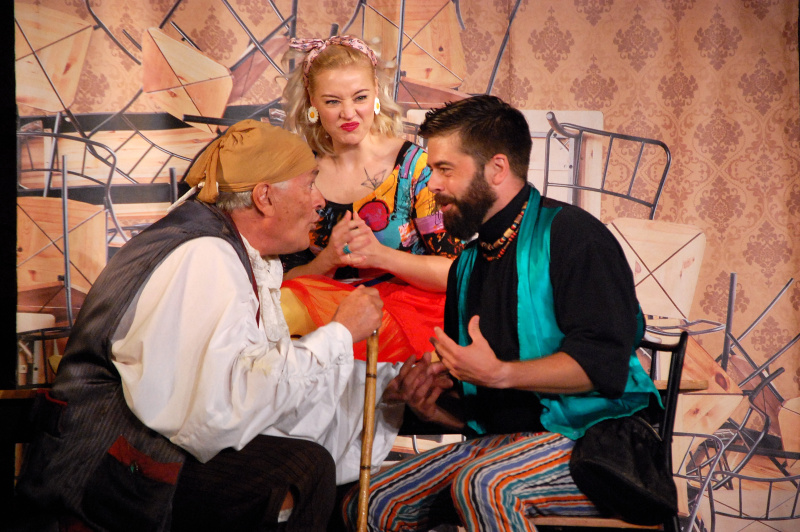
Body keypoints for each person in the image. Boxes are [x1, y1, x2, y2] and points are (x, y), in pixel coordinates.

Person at [13, 120, 386, 532]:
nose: (320, 201)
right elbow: (221, 411)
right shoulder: (203, 256)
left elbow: (257, 399)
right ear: (264, 197)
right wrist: (339, 334)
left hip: (140, 456)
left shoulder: (227, 249)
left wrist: (387, 393)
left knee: (303, 463)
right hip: (101, 470)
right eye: (310, 184)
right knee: (300, 468)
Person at [341, 95, 662, 531]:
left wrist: (500, 374)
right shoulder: (469, 264)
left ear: (496, 168)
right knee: (374, 501)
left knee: (483, 484)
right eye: (432, 170)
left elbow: (603, 366)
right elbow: (488, 411)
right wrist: (432, 405)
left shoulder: (574, 237)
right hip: (504, 445)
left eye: (445, 169)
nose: (432, 184)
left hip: (601, 446)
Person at [279, 35, 462, 364]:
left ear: (377, 93)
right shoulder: (301, 176)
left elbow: (455, 273)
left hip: (409, 317)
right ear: (312, 103)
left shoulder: (414, 168)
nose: (349, 113)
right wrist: (327, 261)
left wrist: (380, 256)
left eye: (360, 97)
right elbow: (280, 284)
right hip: (333, 314)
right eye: (332, 101)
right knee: (280, 309)